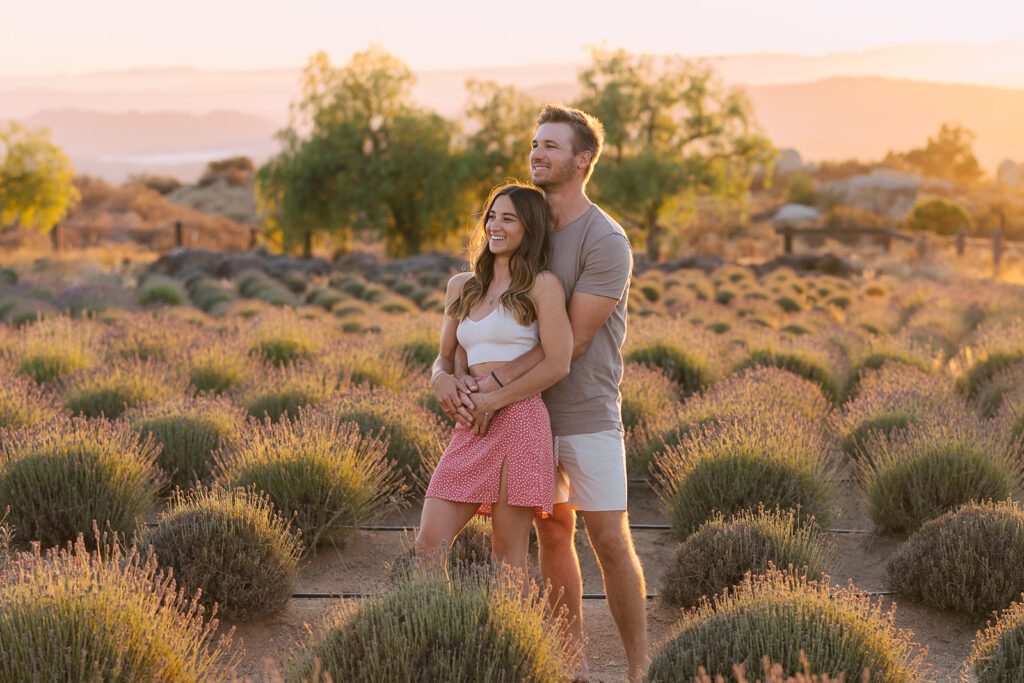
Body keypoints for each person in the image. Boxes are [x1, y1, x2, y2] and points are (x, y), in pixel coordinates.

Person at [453, 105, 647, 682]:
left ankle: (640, 669)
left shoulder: (604, 241)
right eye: (535, 144)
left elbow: (576, 343)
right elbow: (480, 318)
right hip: (526, 418)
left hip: (585, 413)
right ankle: (572, 667)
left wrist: (493, 388)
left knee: (610, 538)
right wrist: (456, 378)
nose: (537, 154)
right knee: (553, 533)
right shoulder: (523, 229)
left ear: (583, 160)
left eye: (552, 147)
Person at [416, 183, 572, 576]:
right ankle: (439, 634)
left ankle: (510, 638)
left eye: (509, 218)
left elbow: (558, 362)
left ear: (529, 228)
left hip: (520, 422)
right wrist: (441, 382)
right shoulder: (462, 287)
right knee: (429, 544)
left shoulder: (541, 286)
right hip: (471, 424)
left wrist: (493, 400)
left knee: (507, 557)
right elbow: (444, 358)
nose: (495, 226)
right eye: (491, 216)